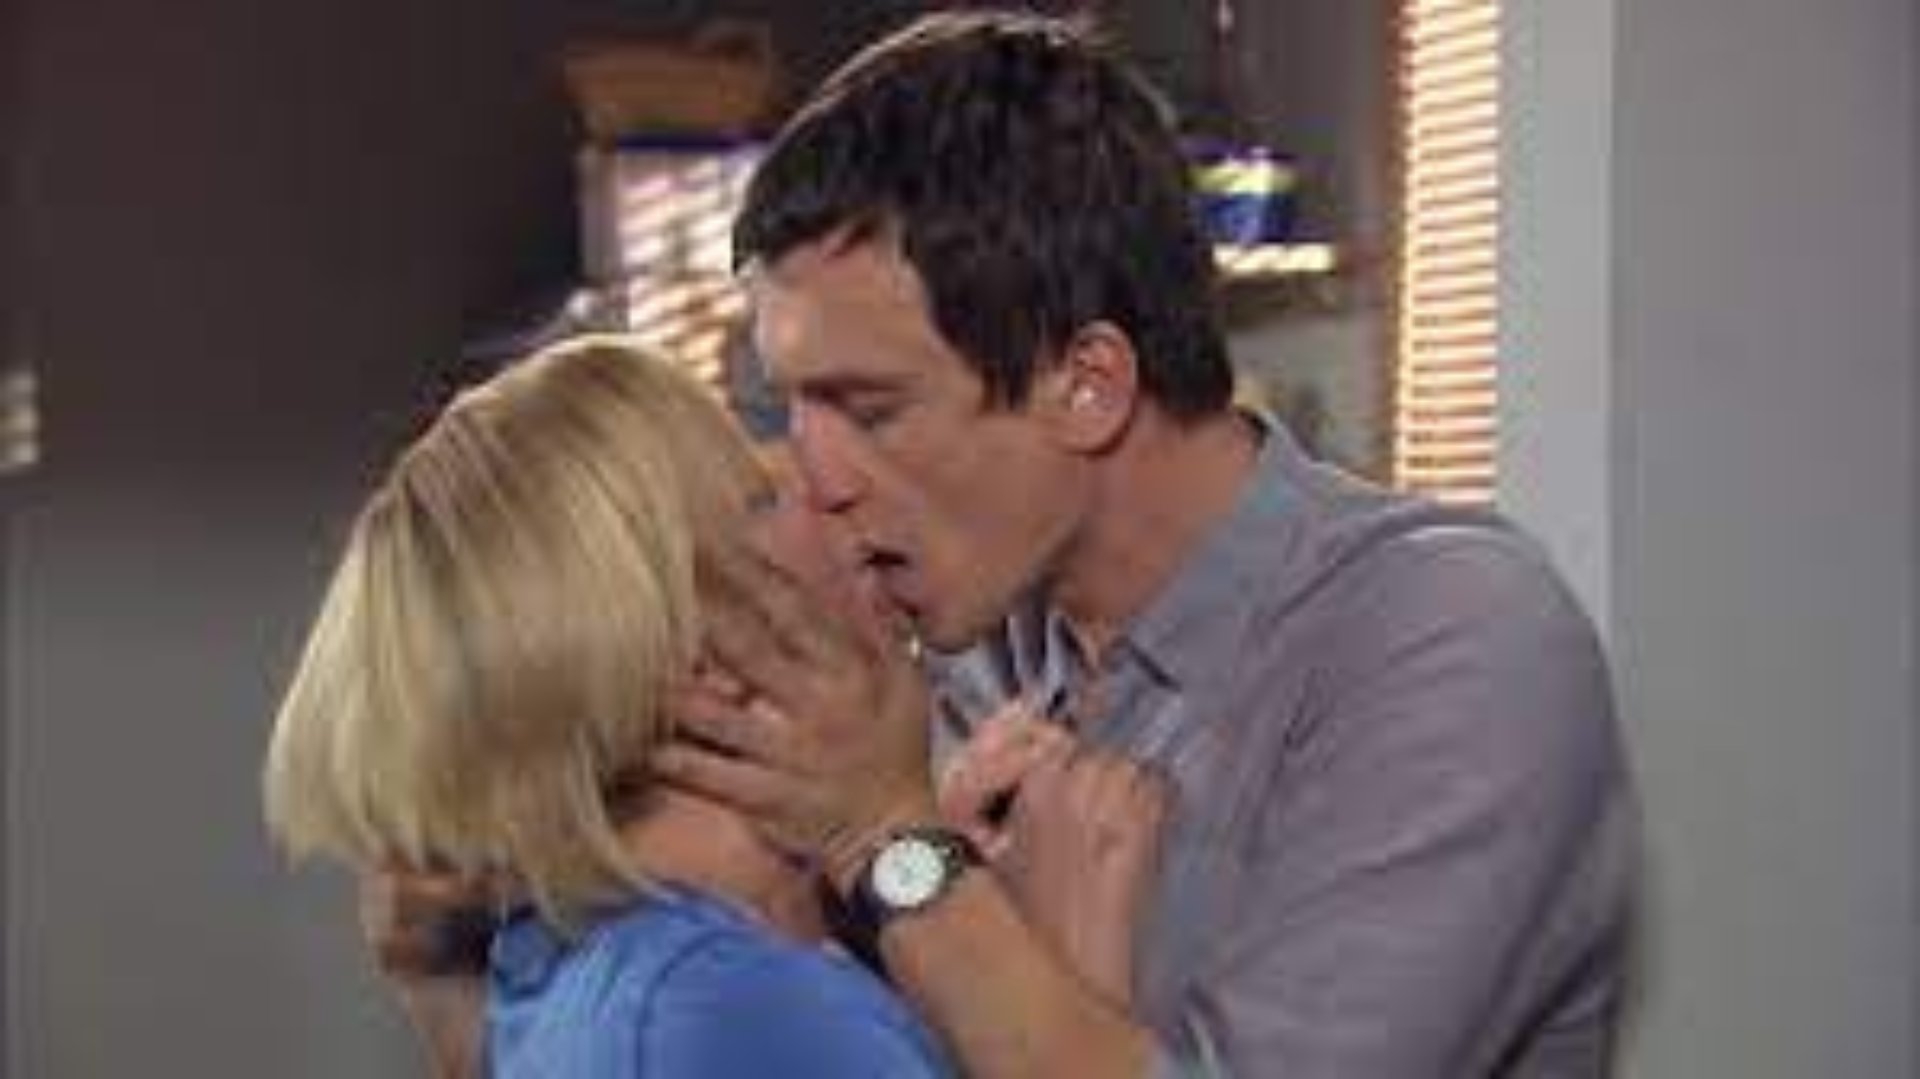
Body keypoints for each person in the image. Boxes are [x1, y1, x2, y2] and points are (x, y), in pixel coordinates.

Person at [654, 10, 1637, 1079]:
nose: (817, 477)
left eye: (872, 408)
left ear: (1088, 384)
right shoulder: (957, 665)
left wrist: (891, 844)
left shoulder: (1451, 644)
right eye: (794, 408)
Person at [267, 337, 1063, 1077]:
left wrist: (920, 872)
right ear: (697, 660)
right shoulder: (737, 1014)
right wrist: (1069, 957)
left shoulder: (562, 968)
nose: (821, 488)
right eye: (758, 497)